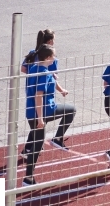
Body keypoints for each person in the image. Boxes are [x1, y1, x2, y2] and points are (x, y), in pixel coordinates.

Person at [23, 45, 76, 186]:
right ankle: (58, 138)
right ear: (47, 58)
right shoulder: (44, 73)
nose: (55, 58)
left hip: (31, 112)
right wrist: (40, 118)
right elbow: (38, 95)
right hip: (44, 111)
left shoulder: (33, 68)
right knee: (71, 110)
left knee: (37, 144)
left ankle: (28, 178)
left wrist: (61, 90)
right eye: (54, 56)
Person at [20, 30, 69, 159]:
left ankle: (28, 149)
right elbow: (52, 77)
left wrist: (33, 75)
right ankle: (32, 149)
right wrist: (61, 89)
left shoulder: (33, 53)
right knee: (41, 119)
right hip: (43, 94)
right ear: (49, 41)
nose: (54, 42)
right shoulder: (50, 59)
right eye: (53, 40)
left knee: (38, 121)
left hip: (30, 89)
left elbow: (23, 68)